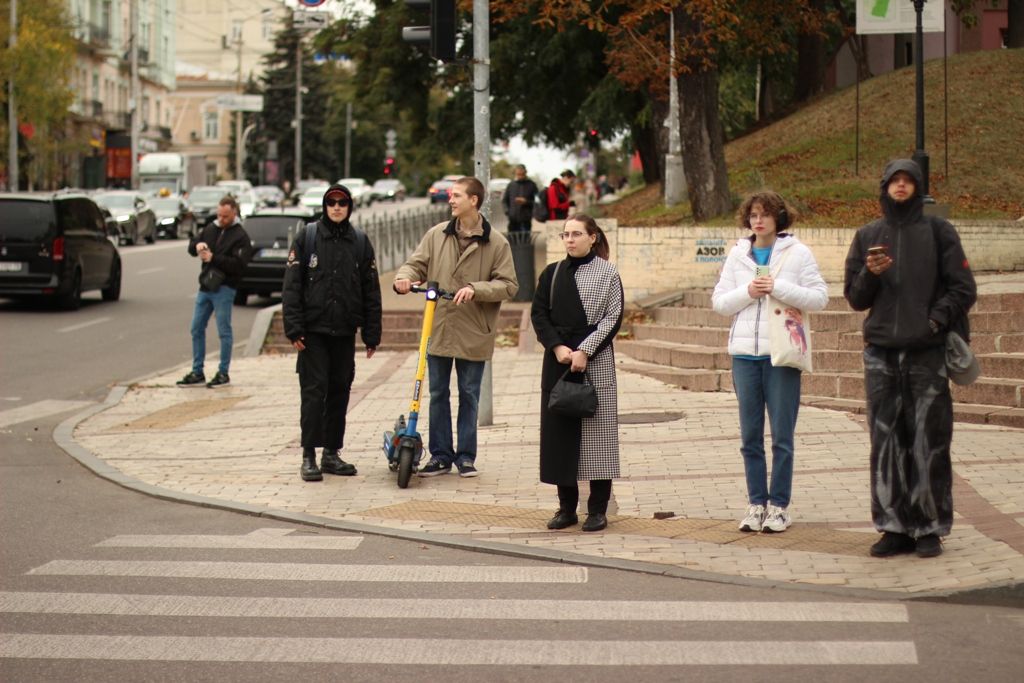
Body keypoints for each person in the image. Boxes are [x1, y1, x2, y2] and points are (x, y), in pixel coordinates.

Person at [844, 159, 977, 559]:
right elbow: (855, 297)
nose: (901, 186)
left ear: (918, 188)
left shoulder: (939, 231)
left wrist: (935, 320)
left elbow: (963, 287)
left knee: (929, 440)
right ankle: (893, 527)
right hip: (880, 353)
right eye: (894, 181)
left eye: (908, 181)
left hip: (926, 352)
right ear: (883, 188)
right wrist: (871, 273)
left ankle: (930, 528)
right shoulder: (868, 235)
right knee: (885, 442)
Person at [711, 191, 828, 534]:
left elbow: (820, 297)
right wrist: (749, 290)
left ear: (778, 218)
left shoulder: (798, 252)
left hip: (782, 355)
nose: (758, 221)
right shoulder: (737, 254)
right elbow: (719, 302)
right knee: (749, 437)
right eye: (753, 215)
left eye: (764, 214)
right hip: (744, 356)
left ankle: (779, 506)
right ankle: (755, 504)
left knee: (781, 436)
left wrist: (779, 288)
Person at [394, 176, 519, 478]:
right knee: (437, 393)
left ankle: (465, 456)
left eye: (457, 196)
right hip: (438, 327)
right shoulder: (437, 234)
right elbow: (416, 264)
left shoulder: (496, 242)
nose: (450, 200)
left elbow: (509, 285)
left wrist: (476, 289)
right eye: (451, 195)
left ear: (474, 200)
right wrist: (404, 278)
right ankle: (440, 455)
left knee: (469, 394)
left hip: (474, 330)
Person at [281, 184, 383, 482]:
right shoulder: (308, 237)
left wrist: (371, 333)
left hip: (344, 331)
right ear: (325, 206)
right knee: (314, 393)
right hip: (313, 332)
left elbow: (370, 290)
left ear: (349, 207)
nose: (337, 207)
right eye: (331, 202)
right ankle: (309, 455)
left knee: (339, 391)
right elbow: (292, 287)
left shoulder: (360, 242)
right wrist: (294, 328)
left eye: (342, 203)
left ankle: (331, 453)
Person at [531, 214, 623, 533]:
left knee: (598, 437)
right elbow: (539, 314)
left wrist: (586, 349)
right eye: (565, 234)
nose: (570, 239)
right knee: (560, 435)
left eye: (577, 234)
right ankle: (566, 508)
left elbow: (613, 317)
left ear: (593, 237)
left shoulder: (608, 273)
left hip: (595, 361)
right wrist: (557, 348)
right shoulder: (552, 274)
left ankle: (597, 509)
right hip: (558, 360)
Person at [178, 195, 252, 389]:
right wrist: (197, 246)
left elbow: (239, 265)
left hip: (225, 288)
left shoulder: (241, 236)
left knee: (224, 331)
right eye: (219, 215)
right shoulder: (211, 228)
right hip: (206, 287)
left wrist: (213, 258)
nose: (221, 219)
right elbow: (193, 245)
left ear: (234, 213)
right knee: (196, 328)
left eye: (225, 216)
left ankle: (223, 372)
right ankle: (197, 371)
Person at [501, 164, 539, 233]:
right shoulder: (511, 185)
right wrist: (508, 212)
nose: (520, 176)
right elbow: (504, 201)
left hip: (526, 220)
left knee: (525, 240)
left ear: (525, 172)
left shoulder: (532, 185)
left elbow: (538, 202)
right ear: (515, 173)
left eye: (522, 174)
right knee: (512, 241)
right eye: (518, 174)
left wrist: (526, 202)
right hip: (512, 220)